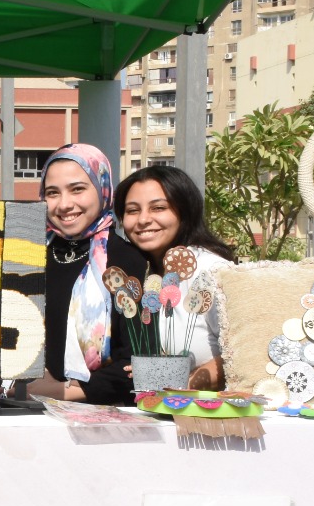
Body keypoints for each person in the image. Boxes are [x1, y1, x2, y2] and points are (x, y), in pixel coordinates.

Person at [27, 143, 148, 405]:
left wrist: (63, 391)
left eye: (77, 189)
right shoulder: (27, 256)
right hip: (20, 409)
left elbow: (137, 363)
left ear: (103, 188)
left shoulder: (127, 262)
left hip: (101, 415)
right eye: (52, 193)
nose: (64, 204)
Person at [117, 164, 238, 389]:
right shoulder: (136, 273)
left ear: (185, 210)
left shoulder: (211, 270)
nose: (143, 219)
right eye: (132, 210)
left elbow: (241, 353)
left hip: (200, 408)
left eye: (158, 208)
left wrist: (179, 385)